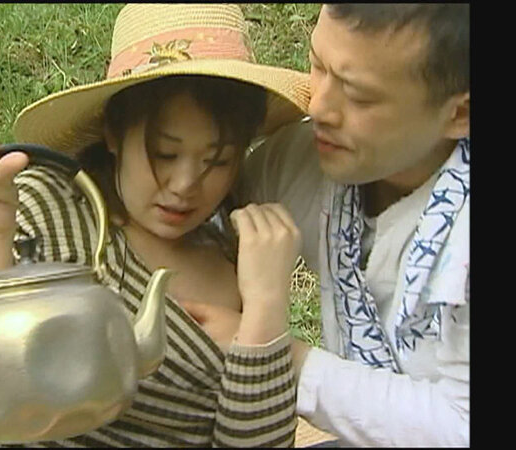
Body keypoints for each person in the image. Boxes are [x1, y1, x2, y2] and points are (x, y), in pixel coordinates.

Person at [0, 4, 313, 447]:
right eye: (164, 154)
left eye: (217, 160)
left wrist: (264, 309)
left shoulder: (239, 257)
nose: (185, 185)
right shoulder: (58, 210)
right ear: (113, 133)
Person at [181, 3, 470, 447]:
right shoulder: (306, 160)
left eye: (359, 95)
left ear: (460, 114)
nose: (318, 107)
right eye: (318, 65)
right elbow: (192, 222)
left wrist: (279, 354)